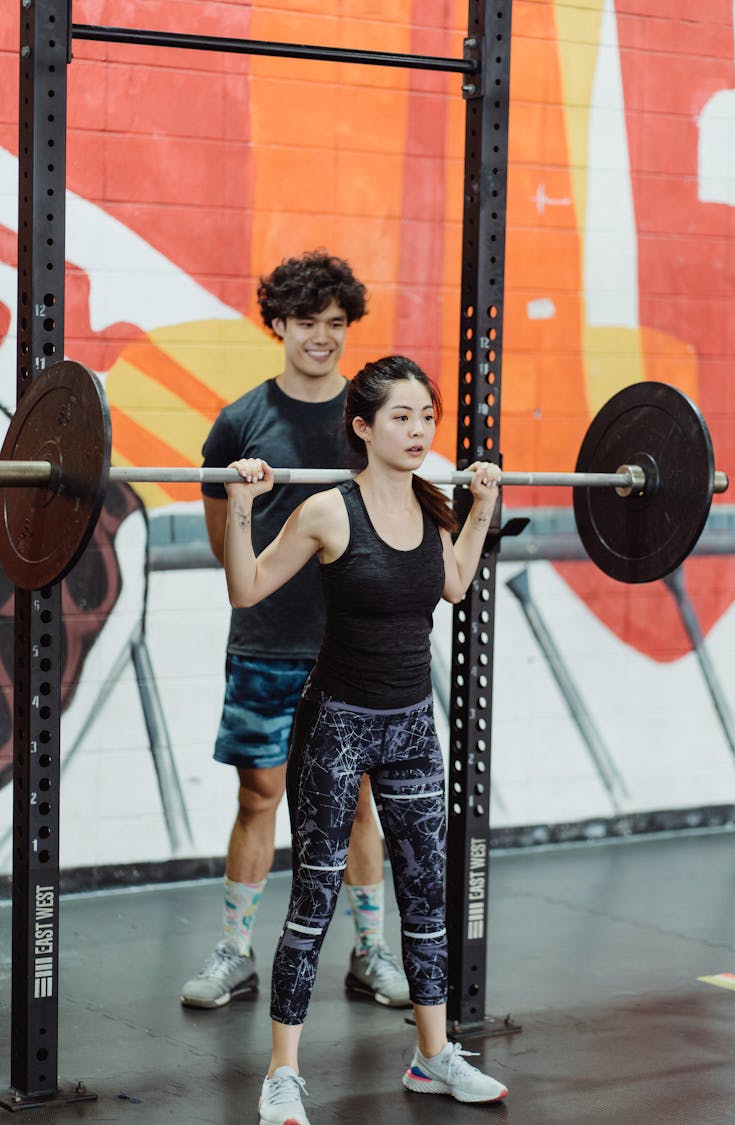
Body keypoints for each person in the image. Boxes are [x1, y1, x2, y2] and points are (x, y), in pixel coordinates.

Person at [223, 355, 509, 1124]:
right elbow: (247, 587)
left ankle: (431, 1055)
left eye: (426, 417)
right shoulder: (325, 509)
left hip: (413, 725)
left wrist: (481, 505)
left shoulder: (431, 505)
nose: (418, 431)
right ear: (363, 426)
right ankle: (281, 1073)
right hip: (337, 727)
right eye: (400, 417)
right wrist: (244, 502)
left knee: (426, 892)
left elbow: (451, 583)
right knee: (314, 898)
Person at [180, 252, 410, 1010]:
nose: (322, 337)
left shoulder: (367, 419)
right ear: (277, 324)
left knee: (361, 802)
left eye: (336, 324)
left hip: (352, 646)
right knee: (259, 795)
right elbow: (225, 541)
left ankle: (370, 955)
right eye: (307, 323)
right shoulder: (241, 421)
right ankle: (234, 953)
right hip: (268, 639)